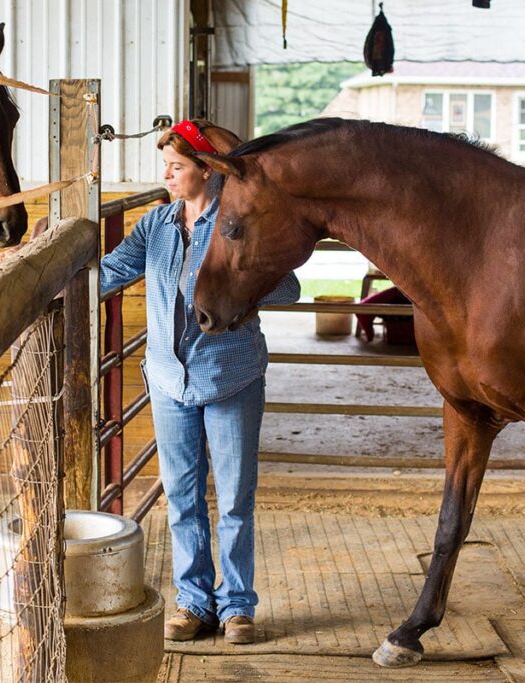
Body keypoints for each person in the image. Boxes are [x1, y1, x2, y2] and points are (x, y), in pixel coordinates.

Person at [99, 120, 300, 645]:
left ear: (206, 170)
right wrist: (37, 273)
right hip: (169, 381)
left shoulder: (237, 225)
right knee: (182, 498)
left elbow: (289, 289)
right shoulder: (156, 225)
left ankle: (236, 608)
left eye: (176, 166)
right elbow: (109, 272)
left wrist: (245, 281)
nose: (165, 175)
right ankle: (193, 603)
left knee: (234, 499)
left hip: (230, 376)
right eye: (164, 164)